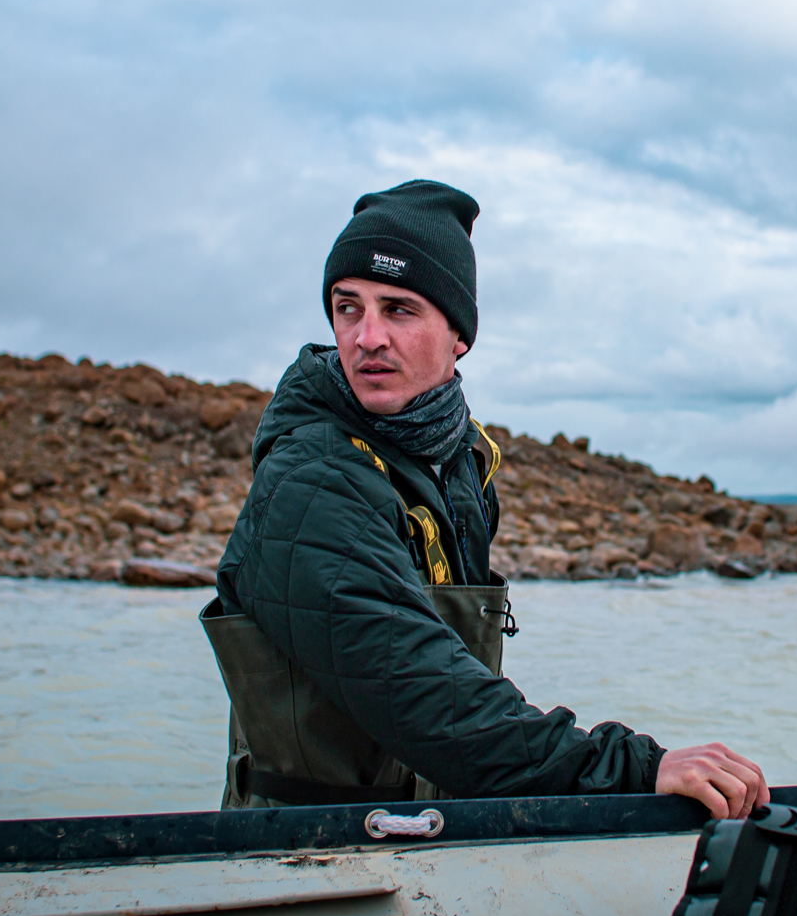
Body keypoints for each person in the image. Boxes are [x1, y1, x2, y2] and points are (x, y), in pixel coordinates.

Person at [202, 179, 767, 817]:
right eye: (348, 306)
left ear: (459, 335)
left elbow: (458, 690)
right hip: (304, 860)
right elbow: (419, 693)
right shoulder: (311, 480)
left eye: (399, 310)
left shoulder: (457, 463)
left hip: (420, 835)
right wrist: (635, 769)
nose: (366, 337)